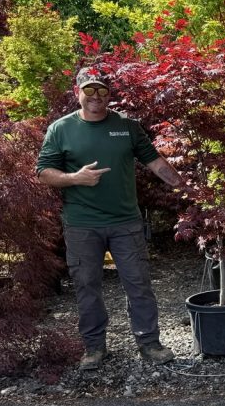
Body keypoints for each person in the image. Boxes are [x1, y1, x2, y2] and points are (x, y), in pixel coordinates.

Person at [36, 64, 184, 371]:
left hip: (125, 222)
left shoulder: (127, 127)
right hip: (81, 224)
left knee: (138, 283)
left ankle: (149, 343)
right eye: (89, 90)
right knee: (87, 285)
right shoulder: (60, 129)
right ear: (77, 92)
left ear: (109, 95)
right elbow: (43, 174)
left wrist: (186, 186)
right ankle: (94, 347)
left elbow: (155, 162)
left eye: (102, 90)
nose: (96, 96)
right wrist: (76, 178)